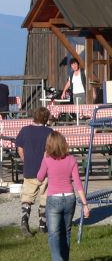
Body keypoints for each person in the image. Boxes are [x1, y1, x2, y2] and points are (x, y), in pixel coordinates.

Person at [37, 131, 90, 261]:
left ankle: (57, 259)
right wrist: (85, 205)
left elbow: (39, 178)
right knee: (66, 232)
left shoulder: (47, 160)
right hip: (69, 198)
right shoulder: (71, 159)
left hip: (54, 198)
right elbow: (78, 183)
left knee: (54, 234)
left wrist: (44, 159)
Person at [15, 107, 53, 237]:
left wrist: (25, 158)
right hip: (46, 170)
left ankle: (24, 221)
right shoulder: (49, 132)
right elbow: (50, 151)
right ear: (46, 119)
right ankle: (43, 225)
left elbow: (19, 147)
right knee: (45, 197)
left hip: (29, 169)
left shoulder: (25, 130)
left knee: (27, 197)